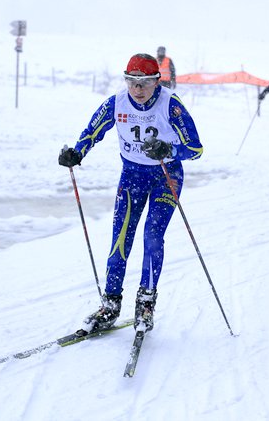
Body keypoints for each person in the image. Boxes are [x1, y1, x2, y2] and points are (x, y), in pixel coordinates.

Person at [58, 53, 203, 333]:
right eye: (131, 82)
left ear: (156, 82)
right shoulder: (117, 102)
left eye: (144, 83)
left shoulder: (170, 104)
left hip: (166, 176)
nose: (137, 90)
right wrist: (77, 153)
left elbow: (196, 148)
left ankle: (145, 303)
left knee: (152, 235)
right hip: (132, 176)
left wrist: (170, 150)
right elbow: (93, 131)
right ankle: (110, 304)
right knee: (120, 238)